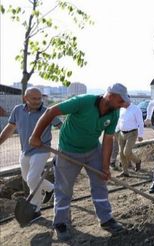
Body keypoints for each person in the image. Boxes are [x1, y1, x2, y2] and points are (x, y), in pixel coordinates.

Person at [29, 83, 129, 240]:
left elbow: (108, 139)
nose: (122, 105)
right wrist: (36, 136)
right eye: (120, 101)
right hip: (68, 150)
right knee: (64, 189)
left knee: (100, 183)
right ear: (110, 96)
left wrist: (105, 167)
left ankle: (106, 219)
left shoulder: (113, 113)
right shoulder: (83, 102)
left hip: (93, 150)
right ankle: (60, 223)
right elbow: (51, 111)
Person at [0, 87, 61, 222]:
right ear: (25, 98)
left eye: (39, 98)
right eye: (34, 98)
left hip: (42, 150)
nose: (38, 101)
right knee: (27, 178)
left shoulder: (48, 112)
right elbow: (10, 128)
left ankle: (36, 209)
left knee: (32, 179)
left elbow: (61, 127)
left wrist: (64, 145)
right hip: (25, 151)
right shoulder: (17, 110)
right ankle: (51, 188)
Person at [115, 101, 144, 177]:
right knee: (121, 153)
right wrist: (115, 131)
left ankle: (137, 161)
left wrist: (141, 135)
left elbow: (140, 122)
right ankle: (125, 172)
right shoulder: (121, 109)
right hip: (121, 133)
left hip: (132, 133)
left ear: (127, 100)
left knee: (126, 152)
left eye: (122, 101)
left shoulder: (136, 109)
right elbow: (119, 121)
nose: (121, 103)